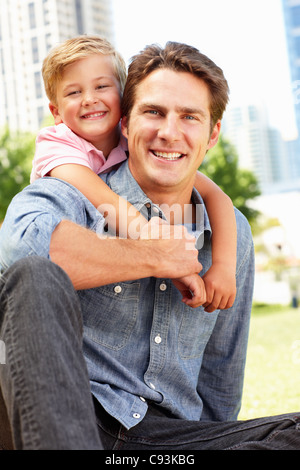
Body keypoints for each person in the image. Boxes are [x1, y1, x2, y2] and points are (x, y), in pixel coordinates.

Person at [0, 41, 299, 450]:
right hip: (74, 419)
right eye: (154, 112)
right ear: (125, 123)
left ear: (212, 135)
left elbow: (219, 377)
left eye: (189, 117)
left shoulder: (229, 231)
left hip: (169, 440)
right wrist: (153, 254)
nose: (169, 132)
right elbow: (19, 258)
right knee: (33, 274)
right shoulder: (68, 189)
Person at [30, 35, 237, 310]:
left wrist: (224, 265)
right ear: (56, 111)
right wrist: (165, 252)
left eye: (101, 87)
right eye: (73, 92)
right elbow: (105, 200)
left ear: (120, 100)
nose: (90, 100)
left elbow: (217, 196)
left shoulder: (133, 138)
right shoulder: (56, 146)